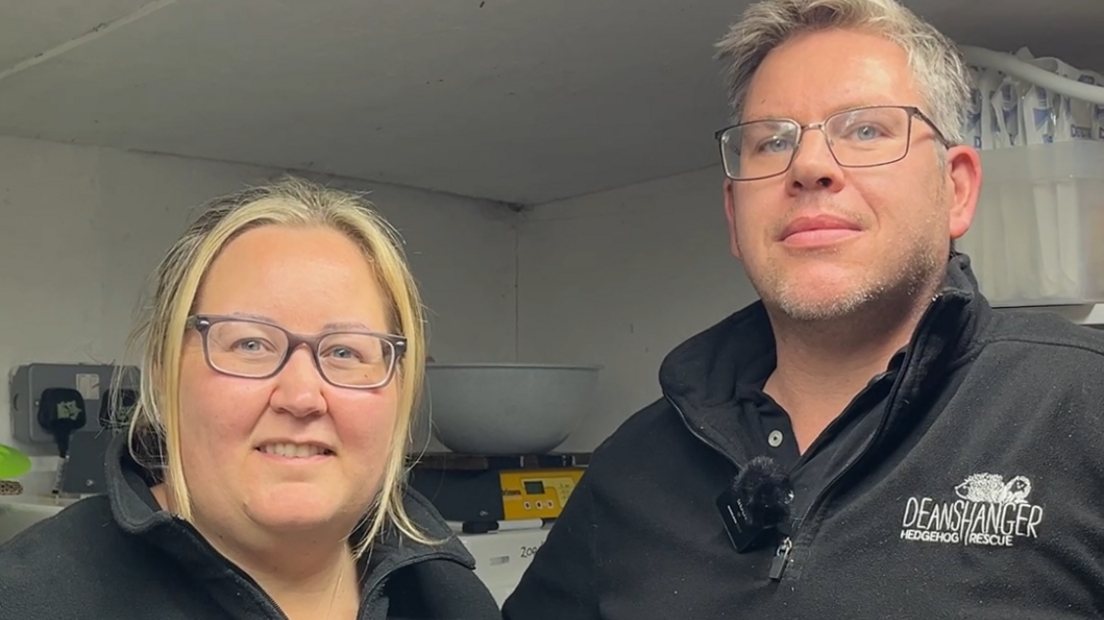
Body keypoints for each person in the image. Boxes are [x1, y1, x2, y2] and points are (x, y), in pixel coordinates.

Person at [502, 0, 1104, 617]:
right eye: (771, 142)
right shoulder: (630, 468)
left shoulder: (1082, 402)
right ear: (736, 217)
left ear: (956, 190)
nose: (810, 166)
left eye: (866, 129)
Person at [0, 177, 502, 619]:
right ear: (162, 374)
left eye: (346, 351)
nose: (303, 396)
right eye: (250, 344)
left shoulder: (447, 592)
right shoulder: (31, 597)